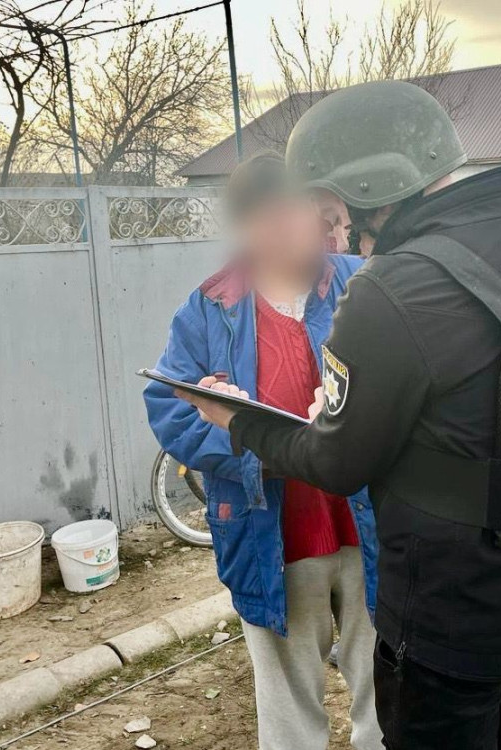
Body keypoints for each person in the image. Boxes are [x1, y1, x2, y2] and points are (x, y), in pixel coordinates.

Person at [177, 82, 501, 750]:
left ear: (371, 185)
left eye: (331, 207)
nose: (333, 230)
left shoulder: (393, 285)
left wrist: (236, 420)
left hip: (447, 618)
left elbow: (335, 463)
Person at [144, 152, 383, 750]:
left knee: (387, 685)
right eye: (261, 220)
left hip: (371, 523)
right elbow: (170, 404)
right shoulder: (211, 307)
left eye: (290, 215)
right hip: (272, 533)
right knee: (287, 701)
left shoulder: (364, 283)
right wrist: (241, 440)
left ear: (317, 215)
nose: (277, 233)